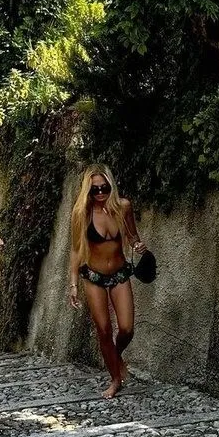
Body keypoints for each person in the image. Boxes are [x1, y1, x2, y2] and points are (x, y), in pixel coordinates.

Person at [69, 164, 146, 399]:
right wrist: (73, 284)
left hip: (120, 273)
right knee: (103, 330)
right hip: (94, 276)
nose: (101, 192)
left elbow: (132, 236)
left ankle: (114, 355)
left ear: (111, 186)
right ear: (88, 191)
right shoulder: (82, 214)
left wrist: (137, 245)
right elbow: (76, 250)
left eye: (104, 187)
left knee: (127, 329)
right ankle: (115, 379)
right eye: (95, 189)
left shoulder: (123, 207)